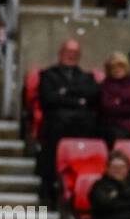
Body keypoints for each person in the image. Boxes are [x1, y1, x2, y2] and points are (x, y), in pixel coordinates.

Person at [37, 39, 100, 196]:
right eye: (68, 52)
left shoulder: (87, 77)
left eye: (75, 53)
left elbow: (92, 96)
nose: (71, 56)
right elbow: (48, 99)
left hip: (81, 124)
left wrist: (64, 92)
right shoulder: (47, 75)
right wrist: (78, 99)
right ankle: (48, 191)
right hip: (55, 124)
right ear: (60, 53)